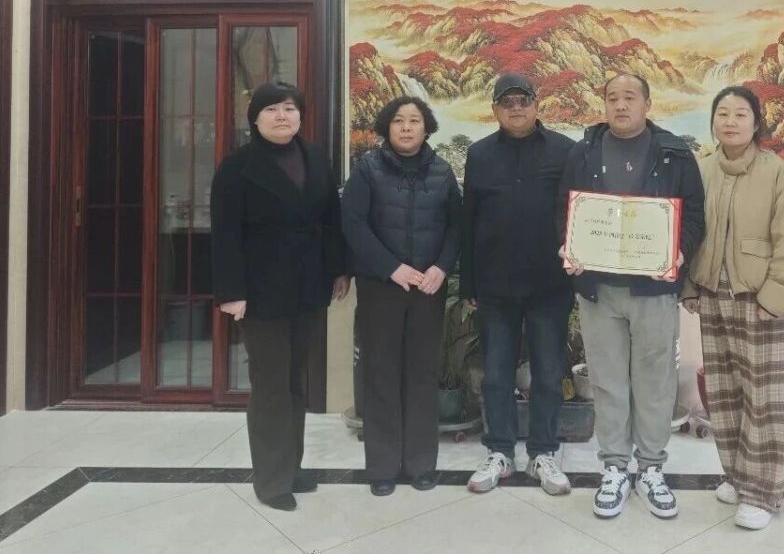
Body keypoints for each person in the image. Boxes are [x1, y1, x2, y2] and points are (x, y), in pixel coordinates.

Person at [558, 73, 705, 520]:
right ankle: (615, 468)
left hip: (653, 289)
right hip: (598, 289)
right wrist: (569, 247)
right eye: (612, 98)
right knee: (607, 380)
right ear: (603, 104)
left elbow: (695, 213)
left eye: (629, 97)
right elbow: (565, 208)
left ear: (647, 103)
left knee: (655, 381)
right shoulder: (583, 151)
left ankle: (652, 468)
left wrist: (678, 251)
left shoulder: (674, 152)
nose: (620, 105)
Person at [681, 87, 784, 530]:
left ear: (757, 123)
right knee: (724, 394)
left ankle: (763, 492)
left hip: (759, 300)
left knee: (766, 400)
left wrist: (775, 301)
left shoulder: (777, 173)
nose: (730, 121)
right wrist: (689, 286)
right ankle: (737, 475)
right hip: (712, 296)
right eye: (722, 113)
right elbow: (686, 231)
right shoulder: (702, 170)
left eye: (741, 114)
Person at [211, 81, 349, 512]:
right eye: (271, 109)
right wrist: (231, 292)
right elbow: (225, 235)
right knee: (270, 386)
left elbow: (331, 220)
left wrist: (339, 269)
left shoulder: (316, 158)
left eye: (289, 108)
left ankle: (291, 467)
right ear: (255, 118)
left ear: (300, 115)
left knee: (294, 382)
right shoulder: (236, 168)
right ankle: (271, 482)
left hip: (308, 286)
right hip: (261, 292)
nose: (282, 116)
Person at [341, 96, 462, 497]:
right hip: (382, 288)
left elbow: (456, 227)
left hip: (427, 288)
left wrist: (441, 267)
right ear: (387, 127)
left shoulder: (443, 172)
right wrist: (391, 268)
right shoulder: (367, 169)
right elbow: (353, 225)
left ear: (427, 128)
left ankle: (421, 465)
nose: (407, 127)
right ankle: (382, 467)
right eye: (398, 121)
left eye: (414, 120)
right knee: (381, 375)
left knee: (422, 375)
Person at [462, 74, 576, 496]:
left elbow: (577, 212)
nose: (515, 108)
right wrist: (469, 284)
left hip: (550, 284)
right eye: (506, 102)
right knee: (496, 375)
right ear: (494, 109)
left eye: (522, 100)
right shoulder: (479, 155)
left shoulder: (565, 150)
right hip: (494, 285)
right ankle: (500, 451)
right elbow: (468, 220)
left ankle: (543, 452)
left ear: (536, 104)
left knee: (547, 374)